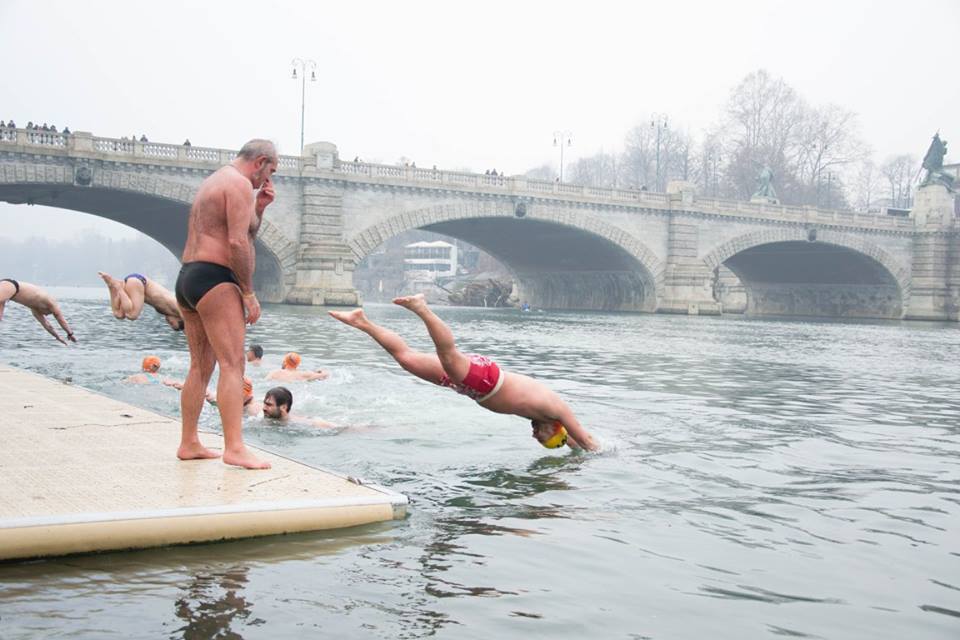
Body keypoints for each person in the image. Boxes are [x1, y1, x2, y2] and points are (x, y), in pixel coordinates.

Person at [329, 294, 598, 450]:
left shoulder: (544, 417)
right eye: (544, 440)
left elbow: (574, 442)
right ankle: (422, 308)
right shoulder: (556, 409)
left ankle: (361, 322)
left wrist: (572, 451)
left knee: (406, 359)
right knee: (448, 355)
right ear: (555, 428)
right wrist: (604, 456)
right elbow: (585, 440)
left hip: (471, 387)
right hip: (486, 380)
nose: (535, 437)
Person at [174, 138, 277, 469]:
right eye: (270, 171)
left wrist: (258, 208)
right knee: (233, 365)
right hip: (216, 279)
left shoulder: (215, 181)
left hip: (189, 277)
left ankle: (189, 442)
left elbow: (244, 232)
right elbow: (236, 243)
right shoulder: (238, 184)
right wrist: (247, 291)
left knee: (199, 367)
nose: (267, 180)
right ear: (260, 161)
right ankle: (234, 448)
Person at [98, 271, 184, 331]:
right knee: (132, 315)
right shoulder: (177, 307)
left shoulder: (167, 312)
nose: (168, 322)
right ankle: (118, 287)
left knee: (119, 314)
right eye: (172, 324)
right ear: (179, 318)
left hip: (133, 284)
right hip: (139, 282)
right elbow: (189, 323)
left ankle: (111, 285)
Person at [0, 279, 77, 345]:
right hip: (12, 286)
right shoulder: (52, 303)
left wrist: (57, 337)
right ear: (48, 309)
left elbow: (47, 325)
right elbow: (61, 319)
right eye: (48, 313)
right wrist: (70, 333)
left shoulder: (35, 309)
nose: (46, 315)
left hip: (9, 292)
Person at [262, 386, 335, 428]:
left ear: (283, 407)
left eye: (269, 405)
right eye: (264, 403)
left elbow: (330, 426)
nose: (264, 408)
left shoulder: (299, 423)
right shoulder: (264, 418)